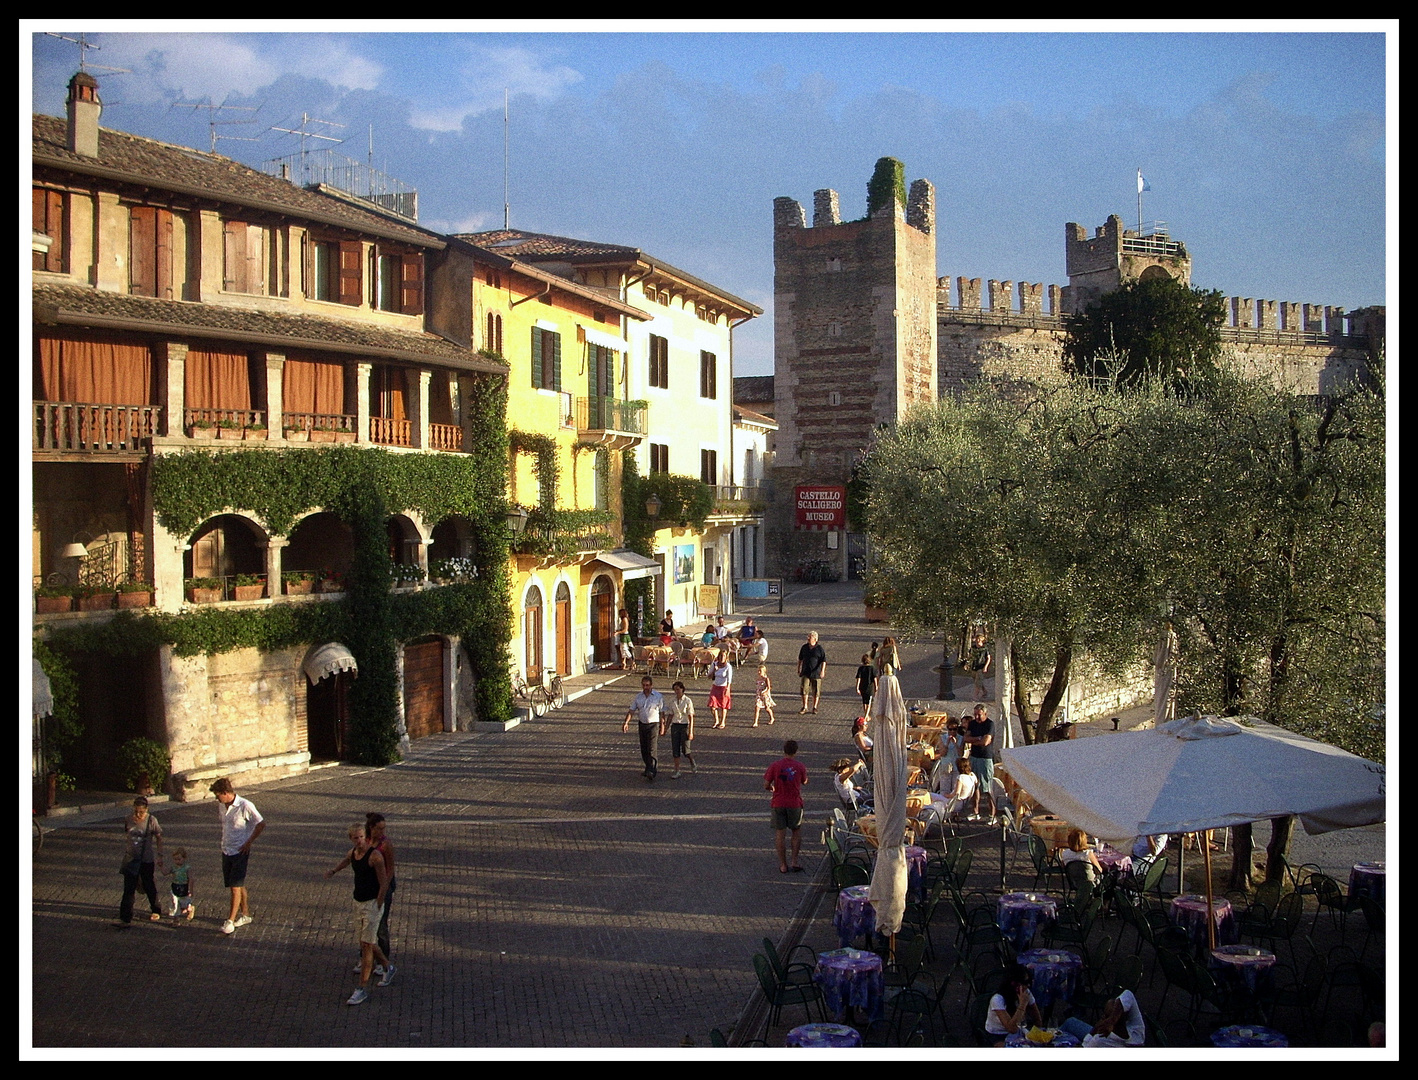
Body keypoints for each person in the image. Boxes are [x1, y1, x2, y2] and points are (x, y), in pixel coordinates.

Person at [326, 822, 393, 1006]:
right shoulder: (353, 854)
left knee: (366, 946)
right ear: (351, 839)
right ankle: (388, 966)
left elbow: (384, 881)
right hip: (358, 902)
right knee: (367, 943)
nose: (359, 841)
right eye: (356, 838)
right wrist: (333, 870)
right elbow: (347, 860)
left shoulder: (375, 856)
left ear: (366, 837)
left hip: (371, 903)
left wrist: (379, 903)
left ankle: (361, 988)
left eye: (362, 837)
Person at [210, 777, 264, 935]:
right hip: (226, 850)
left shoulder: (245, 805)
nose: (216, 798)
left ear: (226, 793)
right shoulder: (222, 806)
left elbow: (261, 823)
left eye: (218, 795)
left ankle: (230, 920)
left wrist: (249, 842)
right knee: (237, 884)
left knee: (235, 887)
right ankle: (245, 914)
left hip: (240, 851)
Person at [115, 795, 164, 926]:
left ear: (147, 810)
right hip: (131, 859)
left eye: (141, 812)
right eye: (136, 811)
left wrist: (160, 855)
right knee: (128, 888)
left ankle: (156, 909)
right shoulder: (128, 819)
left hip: (146, 859)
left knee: (149, 885)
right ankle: (125, 917)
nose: (138, 815)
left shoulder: (151, 820)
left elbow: (159, 838)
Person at [764, 740, 808, 874]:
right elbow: (804, 781)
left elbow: (766, 784)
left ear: (784, 750)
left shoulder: (775, 765)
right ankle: (794, 861)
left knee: (780, 835)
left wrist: (772, 787)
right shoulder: (799, 766)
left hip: (778, 802)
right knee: (796, 832)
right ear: (796, 751)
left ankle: (783, 865)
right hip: (794, 803)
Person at [1061, 989, 1146, 1047]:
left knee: (1070, 1024)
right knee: (1071, 1022)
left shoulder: (1101, 1039)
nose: (1102, 1017)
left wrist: (1094, 1031)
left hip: (1093, 1038)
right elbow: (1128, 994)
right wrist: (1112, 1020)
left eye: (1105, 1015)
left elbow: (1084, 1047)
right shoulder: (1137, 1030)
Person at [985, 964, 1044, 1045]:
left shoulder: (1026, 993)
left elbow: (1037, 1020)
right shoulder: (997, 999)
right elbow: (1012, 1028)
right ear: (1014, 984)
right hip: (998, 1035)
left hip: (1020, 1031)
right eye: (1025, 982)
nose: (1028, 985)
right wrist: (1022, 1004)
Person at [367, 813, 396, 971]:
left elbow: (390, 867)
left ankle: (383, 959)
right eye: (380, 828)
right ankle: (365, 957)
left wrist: (384, 887)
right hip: (369, 886)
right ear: (371, 828)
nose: (383, 832)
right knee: (365, 923)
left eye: (384, 828)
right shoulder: (365, 841)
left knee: (381, 925)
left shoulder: (385, 844)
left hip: (383, 887)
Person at [622, 676, 665, 780]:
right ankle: (647, 767)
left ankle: (652, 770)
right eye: (643, 685)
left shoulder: (658, 696)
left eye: (647, 685)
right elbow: (632, 711)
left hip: (653, 724)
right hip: (642, 724)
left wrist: (662, 726)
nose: (645, 687)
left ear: (651, 685)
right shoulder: (638, 697)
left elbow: (662, 712)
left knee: (652, 748)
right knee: (644, 748)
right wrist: (626, 722)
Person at [966, 703, 999, 823]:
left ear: (985, 714)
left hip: (985, 758)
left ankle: (992, 814)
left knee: (987, 787)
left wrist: (975, 740)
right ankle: (975, 812)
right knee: (975, 786)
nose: (976, 717)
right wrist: (978, 739)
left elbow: (986, 742)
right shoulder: (972, 724)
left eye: (979, 715)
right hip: (974, 757)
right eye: (975, 715)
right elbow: (966, 738)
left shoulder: (990, 724)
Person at [667, 681, 696, 778]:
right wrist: (666, 727)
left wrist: (691, 731)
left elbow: (691, 717)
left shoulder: (687, 701)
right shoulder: (672, 701)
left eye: (678, 689)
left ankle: (691, 760)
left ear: (682, 689)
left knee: (685, 750)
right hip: (675, 726)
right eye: (675, 690)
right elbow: (670, 715)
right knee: (675, 749)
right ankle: (677, 770)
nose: (676, 691)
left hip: (684, 726)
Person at [797, 631, 827, 714]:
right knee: (804, 689)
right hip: (805, 672)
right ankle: (805, 706)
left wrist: (822, 671)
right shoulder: (804, 647)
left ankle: (815, 707)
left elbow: (823, 661)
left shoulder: (819, 649)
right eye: (808, 636)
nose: (808, 638)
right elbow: (800, 659)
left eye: (810, 637)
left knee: (816, 691)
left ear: (815, 639)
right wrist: (799, 669)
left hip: (816, 673)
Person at [165, 846, 195, 922]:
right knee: (175, 904)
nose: (177, 861)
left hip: (184, 887)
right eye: (175, 859)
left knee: (184, 904)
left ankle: (190, 909)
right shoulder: (173, 867)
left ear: (184, 858)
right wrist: (161, 866)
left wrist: (190, 890)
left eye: (179, 859)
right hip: (175, 887)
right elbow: (165, 872)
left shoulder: (187, 868)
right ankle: (176, 919)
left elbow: (191, 879)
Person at [708, 650, 734, 728]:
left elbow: (729, 678)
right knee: (712, 705)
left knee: (723, 706)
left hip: (724, 687)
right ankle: (716, 720)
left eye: (724, 656)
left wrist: (728, 688)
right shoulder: (714, 664)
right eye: (721, 656)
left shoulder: (728, 666)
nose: (722, 658)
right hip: (715, 686)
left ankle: (722, 722)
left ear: (726, 657)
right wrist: (714, 670)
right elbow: (709, 676)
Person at [969, 630, 993, 700]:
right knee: (977, 681)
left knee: (978, 682)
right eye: (977, 639)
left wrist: (985, 667)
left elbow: (988, 658)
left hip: (981, 667)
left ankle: (975, 696)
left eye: (979, 639)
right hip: (974, 666)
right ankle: (985, 692)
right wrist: (968, 664)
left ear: (982, 640)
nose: (978, 640)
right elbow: (970, 656)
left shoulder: (985, 649)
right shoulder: (973, 648)